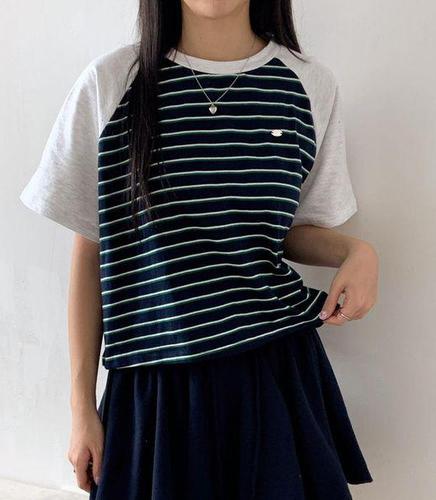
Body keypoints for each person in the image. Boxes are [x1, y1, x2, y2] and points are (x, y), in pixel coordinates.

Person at [19, 0, 378, 498]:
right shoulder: (114, 81)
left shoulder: (308, 84)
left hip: (273, 372)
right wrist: (82, 407)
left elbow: (291, 228)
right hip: (155, 386)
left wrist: (357, 254)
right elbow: (92, 248)